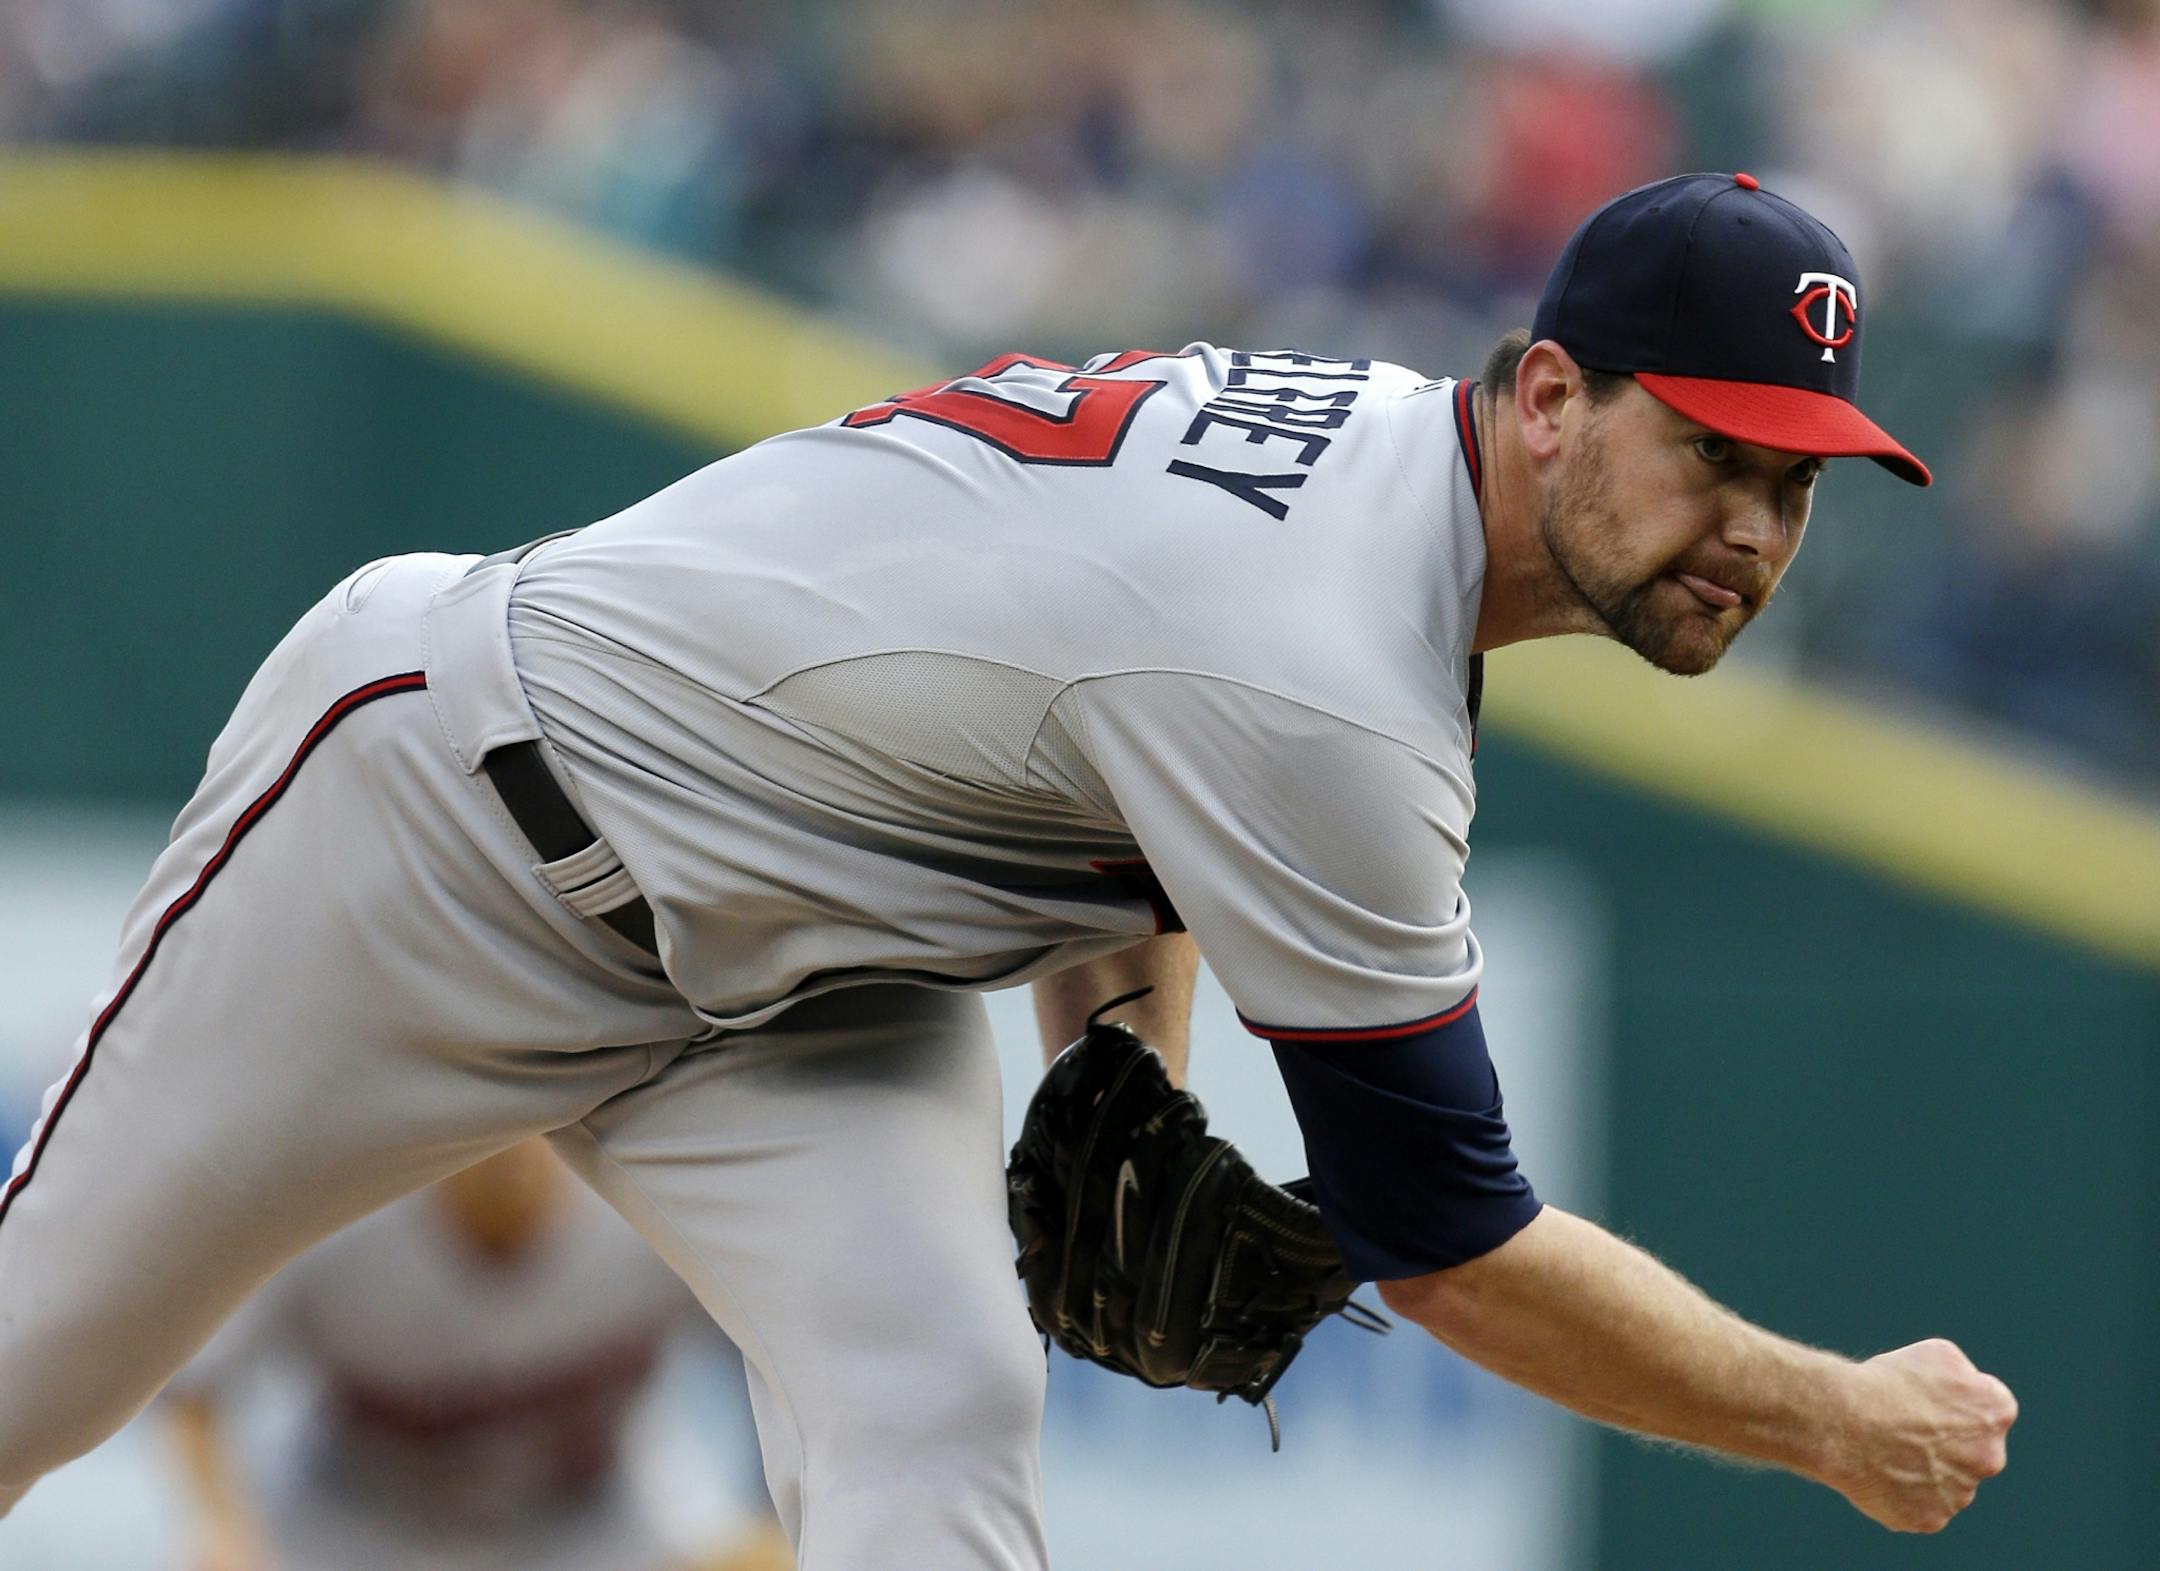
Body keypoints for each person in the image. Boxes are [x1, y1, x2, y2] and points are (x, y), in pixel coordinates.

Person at [0, 172, 2014, 1568]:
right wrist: (1824, 1411)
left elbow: (1109, 762)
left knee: (939, 1401)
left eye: (1797, 478)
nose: (1756, 519)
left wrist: (1099, 1069)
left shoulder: (1384, 476)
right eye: (1716, 448)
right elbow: (1449, 1243)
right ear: (1553, 394)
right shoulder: (1335, 671)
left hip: (780, 983)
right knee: (37, 1367)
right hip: (445, 817)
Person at [162, 1138, 789, 1571]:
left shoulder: (650, 1199)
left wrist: (780, 1519)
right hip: (357, 1530)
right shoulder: (333, 1209)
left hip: (596, 1524)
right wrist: (220, 1527)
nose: (510, 1154)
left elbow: (785, 1348)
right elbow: (194, 1383)